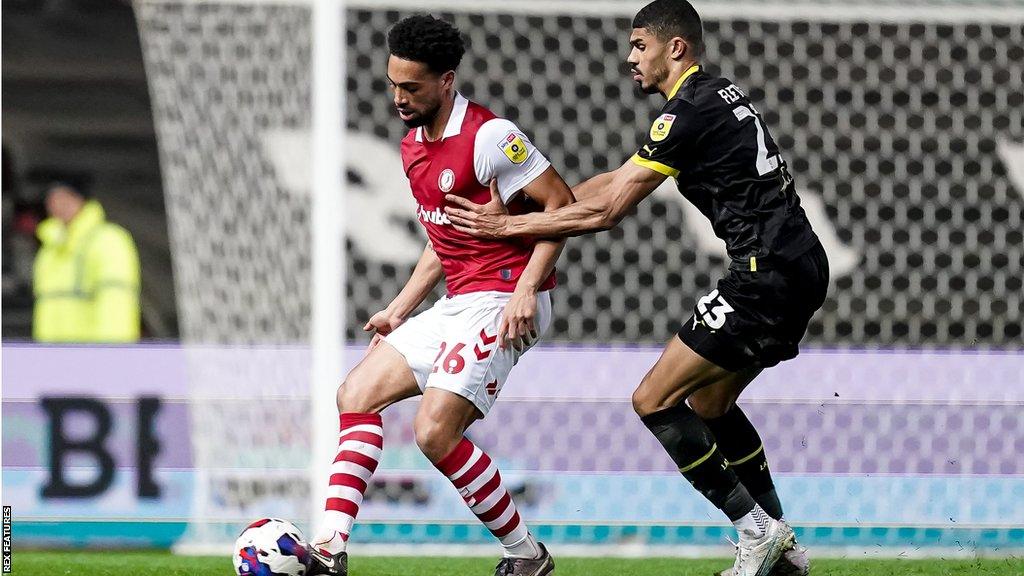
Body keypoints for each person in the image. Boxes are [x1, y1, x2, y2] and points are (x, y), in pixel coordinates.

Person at [444, 1, 828, 575]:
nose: (630, 58)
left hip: (761, 276)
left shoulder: (685, 114)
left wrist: (506, 226)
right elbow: (615, 181)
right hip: (800, 267)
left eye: (639, 46)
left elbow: (610, 211)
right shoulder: (717, 95)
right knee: (712, 402)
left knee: (653, 400)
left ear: (676, 48)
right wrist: (550, 200)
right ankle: (784, 550)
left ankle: (757, 532)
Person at [307, 15, 573, 576]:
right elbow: (442, 237)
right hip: (459, 301)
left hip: (505, 298)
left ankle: (526, 556)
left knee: (433, 430)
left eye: (412, 87)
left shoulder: (490, 138)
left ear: (446, 80)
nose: (399, 98)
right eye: (393, 85)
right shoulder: (412, 148)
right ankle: (329, 551)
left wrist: (528, 288)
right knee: (355, 394)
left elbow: (562, 208)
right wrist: (399, 309)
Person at [33, 177, 141, 343]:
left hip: (94, 354)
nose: (57, 205)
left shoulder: (108, 239)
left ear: (81, 199)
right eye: (52, 200)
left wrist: (115, 353)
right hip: (54, 358)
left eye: (65, 198)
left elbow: (117, 301)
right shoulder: (49, 249)